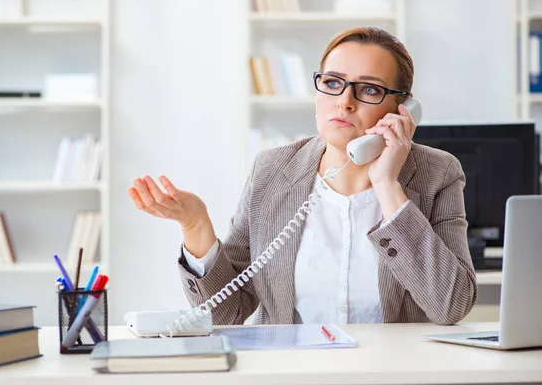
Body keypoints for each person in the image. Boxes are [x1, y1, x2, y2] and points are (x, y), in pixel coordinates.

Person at [127, 26, 477, 326]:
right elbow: (226, 314)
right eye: (332, 82)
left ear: (403, 108)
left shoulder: (438, 173)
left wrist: (387, 185)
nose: (344, 102)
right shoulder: (272, 170)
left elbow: (451, 306)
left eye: (369, 89)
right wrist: (195, 225)